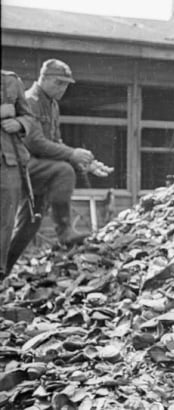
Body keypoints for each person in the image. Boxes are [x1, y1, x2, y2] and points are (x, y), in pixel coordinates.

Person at [6, 59, 95, 270]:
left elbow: (55, 141)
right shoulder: (29, 100)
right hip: (20, 166)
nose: (62, 89)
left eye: (66, 84)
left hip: (38, 170)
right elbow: (34, 142)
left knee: (30, 223)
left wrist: (81, 160)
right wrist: (71, 155)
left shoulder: (53, 105)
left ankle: (3, 271)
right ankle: (65, 231)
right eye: (58, 83)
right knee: (63, 171)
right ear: (43, 79)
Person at [1, 70, 34, 279]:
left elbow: (29, 117)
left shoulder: (11, 81)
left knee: (5, 220)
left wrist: (19, 123)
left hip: (8, 162)